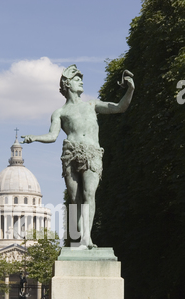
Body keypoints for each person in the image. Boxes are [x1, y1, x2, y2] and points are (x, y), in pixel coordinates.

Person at [22, 65, 135, 248]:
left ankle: (86, 239)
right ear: (67, 84)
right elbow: (52, 136)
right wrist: (34, 137)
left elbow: (119, 107)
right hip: (70, 154)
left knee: (89, 194)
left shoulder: (92, 105)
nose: (81, 81)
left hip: (91, 153)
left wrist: (130, 89)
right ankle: (80, 235)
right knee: (75, 199)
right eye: (76, 79)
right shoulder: (60, 112)